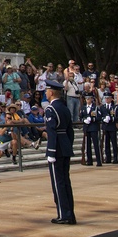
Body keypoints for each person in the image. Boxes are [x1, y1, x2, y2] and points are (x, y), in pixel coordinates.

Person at [44, 78, 76, 225]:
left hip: (56, 149)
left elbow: (52, 133)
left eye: (47, 91)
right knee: (66, 182)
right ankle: (70, 213)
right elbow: (70, 131)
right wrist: (68, 145)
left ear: (51, 93)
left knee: (58, 183)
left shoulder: (51, 109)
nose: (45, 92)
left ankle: (64, 215)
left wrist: (50, 152)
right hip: (65, 147)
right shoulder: (65, 108)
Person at [80, 92, 101, 166]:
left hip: (94, 127)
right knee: (87, 145)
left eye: (89, 98)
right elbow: (81, 117)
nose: (87, 100)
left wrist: (92, 119)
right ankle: (89, 160)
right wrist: (84, 120)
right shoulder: (83, 108)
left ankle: (99, 161)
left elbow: (99, 117)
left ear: (92, 99)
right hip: (87, 128)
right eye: (86, 99)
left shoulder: (95, 107)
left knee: (96, 145)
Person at [98, 91, 118, 164]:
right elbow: (99, 116)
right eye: (106, 98)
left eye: (108, 98)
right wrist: (103, 119)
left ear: (111, 99)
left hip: (112, 127)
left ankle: (115, 158)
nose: (107, 99)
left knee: (114, 143)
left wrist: (112, 118)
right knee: (106, 143)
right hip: (105, 127)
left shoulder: (114, 107)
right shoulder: (102, 107)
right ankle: (108, 158)